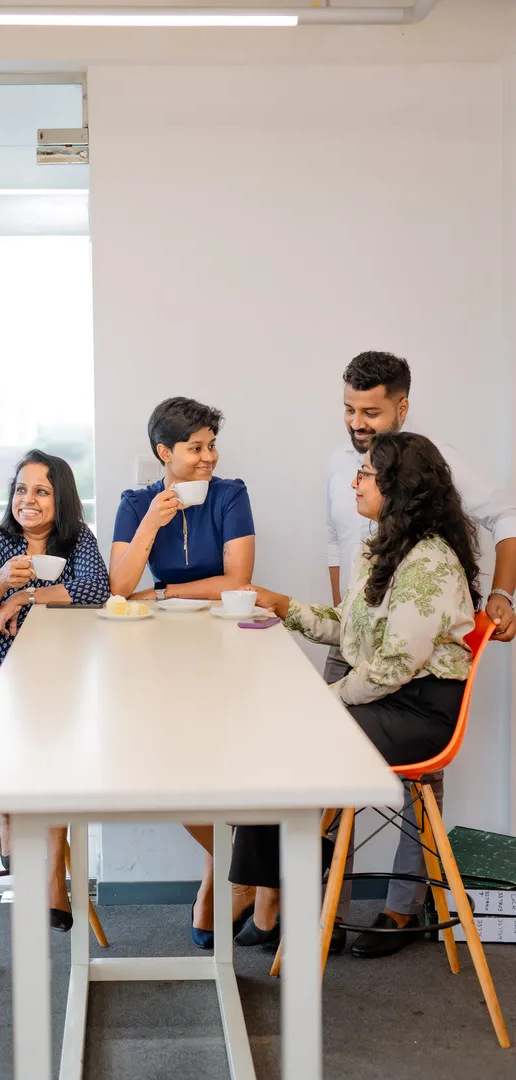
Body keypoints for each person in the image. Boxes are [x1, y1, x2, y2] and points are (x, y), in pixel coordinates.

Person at [231, 432, 481, 947]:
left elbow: (392, 667)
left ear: (398, 486)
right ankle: (275, 892)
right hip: (391, 697)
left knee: (295, 735)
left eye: (366, 474)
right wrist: (280, 605)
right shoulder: (381, 548)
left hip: (420, 713)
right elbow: (348, 627)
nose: (355, 481)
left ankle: (277, 895)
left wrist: (324, 702)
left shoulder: (429, 563)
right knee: (275, 731)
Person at [325, 351, 516, 958]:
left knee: (417, 785)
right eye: (349, 409)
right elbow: (338, 546)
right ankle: (325, 907)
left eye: (371, 412)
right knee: (324, 766)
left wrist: (502, 594)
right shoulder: (339, 464)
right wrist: (346, 630)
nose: (358, 423)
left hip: (413, 655)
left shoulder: (435, 461)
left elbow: (509, 514)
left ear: (402, 407)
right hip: (357, 642)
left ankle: (402, 907)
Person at [0, 449, 110, 932]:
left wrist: (24, 595)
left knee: (59, 731)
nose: (27, 500)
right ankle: (13, 818)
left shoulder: (77, 543)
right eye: (21, 489)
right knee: (8, 731)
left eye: (41, 491)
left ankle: (48, 859)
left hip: (50, 673)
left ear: (62, 498)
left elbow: (98, 588)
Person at [110, 396, 257, 948]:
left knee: (216, 764)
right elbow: (120, 586)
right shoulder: (136, 503)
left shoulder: (230, 495)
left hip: (227, 643)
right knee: (164, 766)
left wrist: (166, 589)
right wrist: (152, 520)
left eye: (211, 445)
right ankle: (248, 869)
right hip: (161, 649)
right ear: (163, 453)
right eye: (195, 448)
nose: (208, 458)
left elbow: (239, 581)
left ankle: (226, 879)